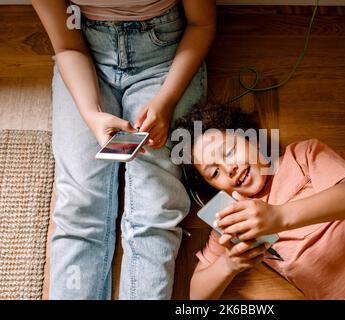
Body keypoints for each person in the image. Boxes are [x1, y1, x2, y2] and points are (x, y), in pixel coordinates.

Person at [32, 0, 216, 299]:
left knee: (156, 207)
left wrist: (165, 104)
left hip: (167, 58)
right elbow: (68, 46)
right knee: (79, 205)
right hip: (84, 54)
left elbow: (202, 24)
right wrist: (91, 113)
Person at [174, 104, 345, 300]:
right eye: (215, 172)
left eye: (230, 151)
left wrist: (278, 216)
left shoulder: (302, 156)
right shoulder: (231, 219)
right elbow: (197, 294)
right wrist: (230, 265)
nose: (229, 168)